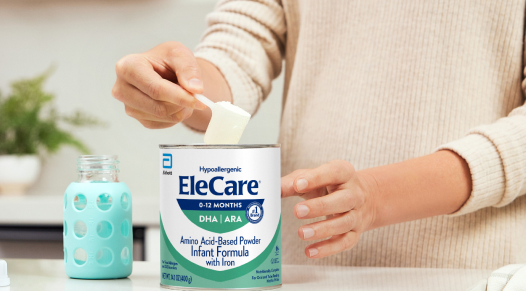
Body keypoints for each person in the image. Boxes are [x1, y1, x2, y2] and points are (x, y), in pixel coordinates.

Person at [111, 1, 525, 268]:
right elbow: (240, 45)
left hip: (471, 281)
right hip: (306, 277)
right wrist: (178, 85)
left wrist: (378, 196)